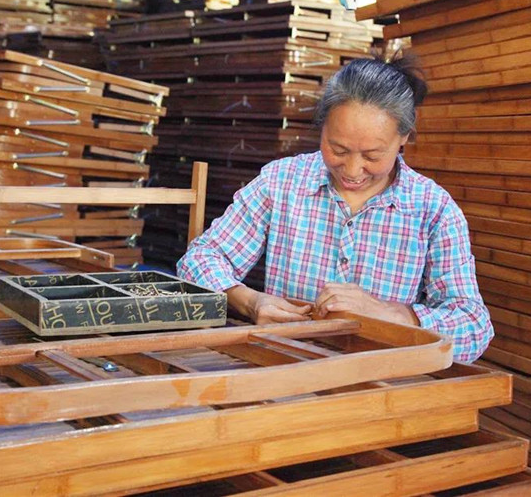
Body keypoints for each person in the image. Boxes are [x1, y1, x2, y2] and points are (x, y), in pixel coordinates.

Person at [177, 54, 493, 363]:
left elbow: (474, 329)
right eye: (338, 149)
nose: (353, 170)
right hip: (283, 372)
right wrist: (250, 302)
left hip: (381, 393)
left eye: (372, 155)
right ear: (322, 126)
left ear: (404, 138)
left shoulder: (433, 210)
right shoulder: (281, 183)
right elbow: (200, 259)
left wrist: (394, 315)